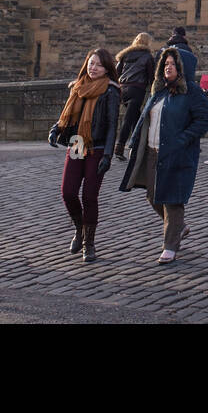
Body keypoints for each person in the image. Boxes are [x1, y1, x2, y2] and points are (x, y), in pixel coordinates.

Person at [118, 46, 208, 264]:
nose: (168, 67)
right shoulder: (158, 90)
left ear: (182, 67)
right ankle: (178, 226)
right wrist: (134, 142)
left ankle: (170, 245)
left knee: (172, 199)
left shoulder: (191, 92)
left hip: (176, 153)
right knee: (153, 195)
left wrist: (183, 139)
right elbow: (145, 119)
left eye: (172, 64)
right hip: (152, 152)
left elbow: (204, 119)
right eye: (166, 64)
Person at [51, 48, 119, 264]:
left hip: (97, 146)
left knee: (89, 196)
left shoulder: (110, 91)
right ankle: (79, 228)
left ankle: (89, 243)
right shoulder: (78, 86)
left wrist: (108, 155)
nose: (93, 67)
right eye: (91, 63)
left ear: (107, 68)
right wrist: (56, 129)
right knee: (68, 192)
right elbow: (67, 116)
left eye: (98, 64)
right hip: (78, 143)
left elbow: (111, 127)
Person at [114, 32, 155, 160]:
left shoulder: (125, 55)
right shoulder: (147, 56)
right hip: (136, 89)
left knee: (136, 117)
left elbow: (116, 72)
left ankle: (137, 146)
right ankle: (119, 147)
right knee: (129, 119)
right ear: (147, 42)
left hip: (123, 89)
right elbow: (151, 76)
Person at [166, 27, 201, 94]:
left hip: (166, 82)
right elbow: (190, 66)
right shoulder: (186, 49)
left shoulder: (165, 48)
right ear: (184, 36)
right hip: (182, 83)